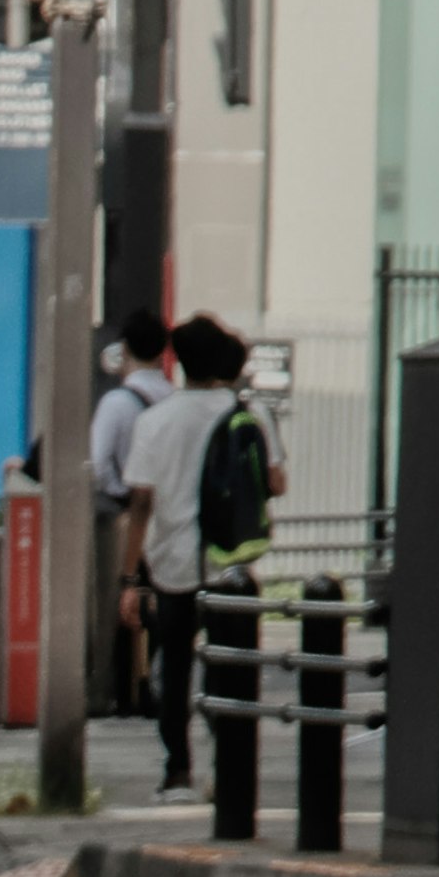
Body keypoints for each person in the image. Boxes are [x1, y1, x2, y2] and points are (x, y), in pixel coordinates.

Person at [115, 311, 275, 792]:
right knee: (231, 668)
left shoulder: (155, 421)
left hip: (172, 564)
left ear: (177, 361)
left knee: (176, 666)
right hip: (233, 564)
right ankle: (230, 769)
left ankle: (177, 767)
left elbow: (140, 503)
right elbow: (274, 481)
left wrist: (128, 580)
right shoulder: (249, 413)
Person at [88, 309, 175, 712]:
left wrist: (120, 492)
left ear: (124, 350)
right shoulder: (174, 398)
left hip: (126, 516)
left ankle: (121, 690)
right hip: (170, 516)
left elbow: (99, 462)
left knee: (122, 599)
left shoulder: (117, 402)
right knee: (164, 601)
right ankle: (159, 684)